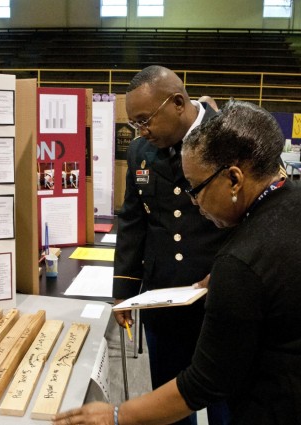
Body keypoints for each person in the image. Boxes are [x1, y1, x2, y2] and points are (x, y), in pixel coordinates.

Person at [53, 101, 301, 425]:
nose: (193, 202)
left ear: (234, 178)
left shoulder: (243, 259)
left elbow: (202, 384)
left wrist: (117, 414)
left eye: (196, 188)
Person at [112, 66, 232, 425]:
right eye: (135, 124)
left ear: (178, 103)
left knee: (227, 396)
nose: (141, 131)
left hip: (220, 293)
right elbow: (133, 221)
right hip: (162, 295)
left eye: (145, 120)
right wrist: (124, 291)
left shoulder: (229, 136)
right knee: (168, 395)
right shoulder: (140, 152)